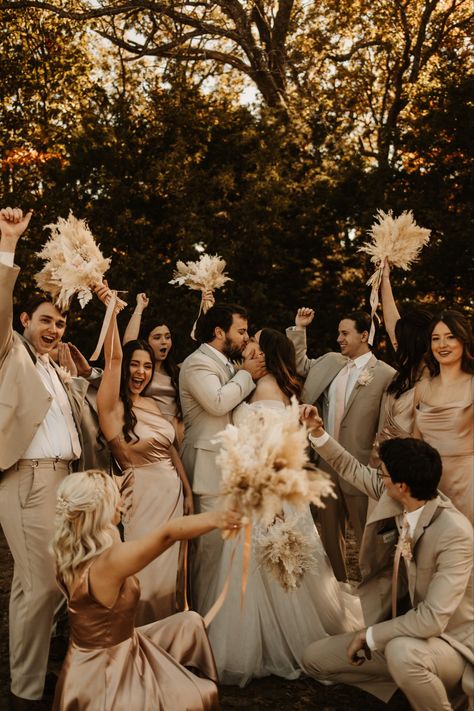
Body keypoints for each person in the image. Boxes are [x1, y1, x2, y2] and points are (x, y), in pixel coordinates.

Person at [206, 329, 362, 686]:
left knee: (268, 563)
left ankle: (269, 644)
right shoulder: (284, 390)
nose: (250, 350)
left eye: (256, 346)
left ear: (268, 354)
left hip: (267, 492)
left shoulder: (263, 391)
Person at [301, 407, 473, 711]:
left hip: (453, 647)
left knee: (401, 653)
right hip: (402, 634)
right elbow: (352, 468)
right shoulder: (397, 493)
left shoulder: (455, 534)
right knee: (314, 660)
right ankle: (409, 691)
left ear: (402, 485)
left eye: (384, 474)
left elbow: (433, 619)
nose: (379, 479)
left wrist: (370, 636)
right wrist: (317, 432)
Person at [0, 207, 96, 708]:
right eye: (44, 321)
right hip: (28, 481)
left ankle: (29, 680)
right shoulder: (9, 354)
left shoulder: (57, 369)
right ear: (23, 321)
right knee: (42, 586)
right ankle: (27, 692)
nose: (54, 329)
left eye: (59, 323)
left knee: (40, 585)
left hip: (66, 482)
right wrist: (8, 244)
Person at [51, 469, 242, 711]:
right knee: (198, 695)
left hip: (86, 660)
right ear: (98, 510)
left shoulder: (70, 549)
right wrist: (219, 518)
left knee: (188, 623)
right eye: (114, 498)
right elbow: (168, 534)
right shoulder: (109, 563)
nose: (121, 500)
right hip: (107, 673)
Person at [96, 297, 193, 624]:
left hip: (174, 499)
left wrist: (188, 491)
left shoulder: (151, 404)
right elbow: (113, 357)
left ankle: (169, 638)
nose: (141, 371)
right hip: (142, 500)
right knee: (144, 572)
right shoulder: (112, 408)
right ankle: (137, 639)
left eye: (147, 366)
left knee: (170, 574)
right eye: (136, 364)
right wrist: (109, 307)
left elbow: (170, 450)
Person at [286, 308, 395, 581]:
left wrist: (378, 464)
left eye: (345, 333)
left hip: (361, 465)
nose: (339, 339)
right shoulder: (331, 361)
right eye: (338, 333)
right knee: (328, 533)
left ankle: (375, 590)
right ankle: (338, 586)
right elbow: (300, 364)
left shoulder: (385, 374)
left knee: (366, 533)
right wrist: (300, 329)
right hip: (324, 461)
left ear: (364, 335)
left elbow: (387, 425)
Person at [179, 303, 266, 614]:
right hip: (206, 472)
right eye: (240, 331)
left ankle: (217, 618)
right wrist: (245, 375)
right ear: (219, 332)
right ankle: (199, 623)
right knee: (208, 553)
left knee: (225, 552)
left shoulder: (228, 364)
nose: (245, 337)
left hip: (227, 471)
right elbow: (217, 403)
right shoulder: (197, 364)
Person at [413, 309, 474, 522]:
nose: (442, 345)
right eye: (435, 339)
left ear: (463, 341)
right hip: (429, 484)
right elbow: (415, 443)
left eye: (450, 337)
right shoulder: (422, 388)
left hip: (467, 484)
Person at [370, 262, 433, 465]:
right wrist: (385, 280)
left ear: (416, 342)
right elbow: (391, 323)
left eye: (400, 338)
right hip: (379, 463)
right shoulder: (407, 371)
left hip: (407, 469)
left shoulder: (435, 382)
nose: (394, 340)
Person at [123, 292, 184, 446]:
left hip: (179, 433)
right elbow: (129, 344)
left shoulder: (177, 371)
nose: (164, 342)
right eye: (157, 338)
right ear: (146, 341)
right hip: (148, 431)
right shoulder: (141, 373)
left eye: (167, 337)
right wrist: (139, 307)